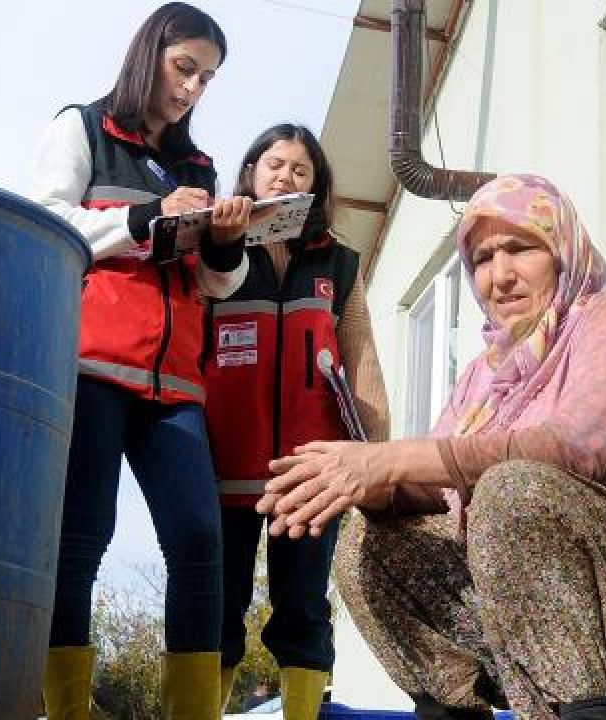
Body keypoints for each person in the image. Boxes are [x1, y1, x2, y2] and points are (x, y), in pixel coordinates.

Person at [256, 174, 606, 720]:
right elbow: (433, 487)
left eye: (519, 249)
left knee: (511, 488)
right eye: (480, 259)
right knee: (365, 544)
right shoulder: (484, 375)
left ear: (562, 249)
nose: (499, 277)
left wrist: (388, 458)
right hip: (558, 597)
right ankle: (452, 711)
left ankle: (583, 713)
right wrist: (359, 484)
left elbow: (575, 449)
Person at [27, 4, 254, 719]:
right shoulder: (82, 127)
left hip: (176, 384)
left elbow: (217, 285)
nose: (191, 89)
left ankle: (191, 712)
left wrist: (222, 243)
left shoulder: (200, 165)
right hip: (92, 367)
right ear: (149, 51)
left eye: (207, 79)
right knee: (80, 540)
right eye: (184, 67)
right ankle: (65, 710)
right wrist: (140, 218)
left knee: (197, 540)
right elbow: (46, 223)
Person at [202, 124, 388, 719]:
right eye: (274, 164)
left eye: (300, 169)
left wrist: (377, 458)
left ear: (316, 185)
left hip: (310, 473)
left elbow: (360, 356)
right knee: (215, 605)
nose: (286, 176)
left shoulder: (339, 261)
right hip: (223, 461)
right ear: (251, 173)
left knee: (304, 606)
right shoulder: (216, 249)